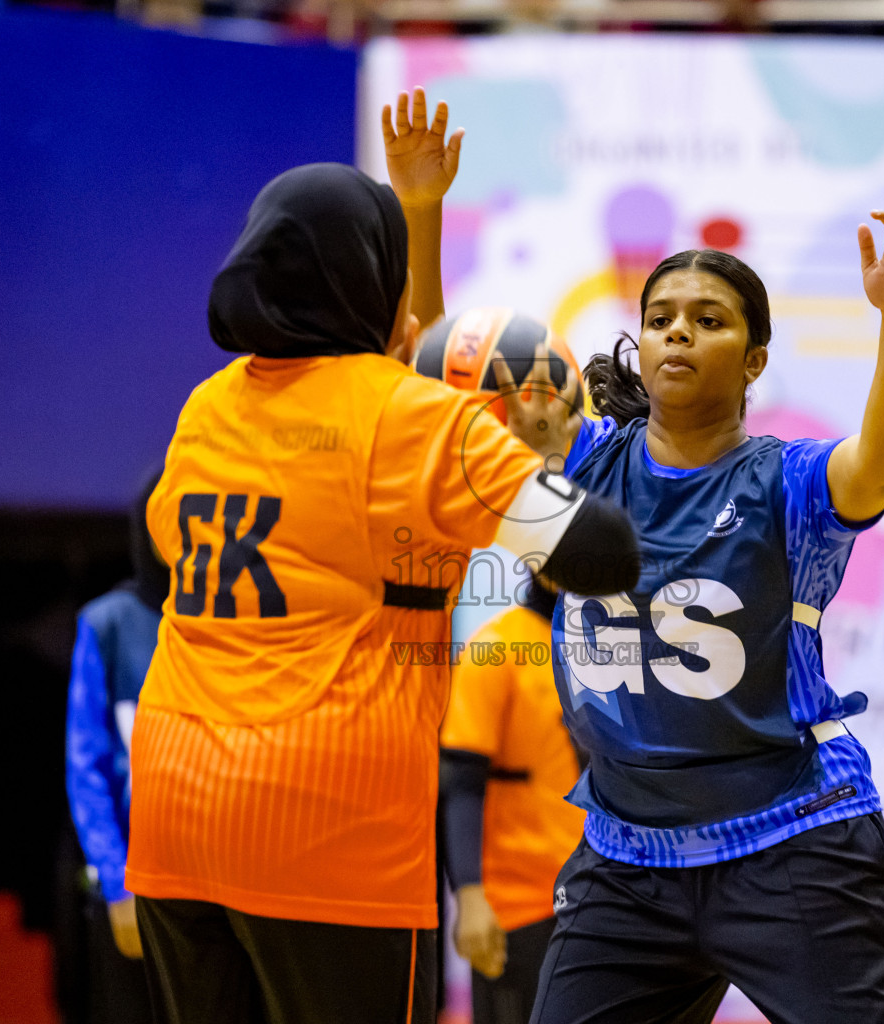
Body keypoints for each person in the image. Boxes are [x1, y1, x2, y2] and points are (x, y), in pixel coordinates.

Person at [123, 89, 638, 1024]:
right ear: (365, 278)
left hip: (173, 812)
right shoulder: (410, 425)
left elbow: (162, 559)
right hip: (328, 825)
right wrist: (532, 462)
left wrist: (420, 214)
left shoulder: (207, 406)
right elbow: (600, 553)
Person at [478, 209, 884, 1023]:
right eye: (659, 320)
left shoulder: (788, 483)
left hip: (793, 841)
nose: (678, 336)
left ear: (754, 359)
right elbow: (439, 411)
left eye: (708, 321)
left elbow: (880, 461)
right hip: (627, 858)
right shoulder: (584, 461)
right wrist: (420, 210)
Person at [440, 576, 586, 1024]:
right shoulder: (497, 648)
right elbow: (461, 781)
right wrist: (469, 896)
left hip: (593, 899)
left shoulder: (599, 650)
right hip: (518, 911)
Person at [65, 468, 166, 1023]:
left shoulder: (232, 620)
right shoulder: (107, 624)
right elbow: (88, 768)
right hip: (133, 883)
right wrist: (117, 884)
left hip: (220, 884)